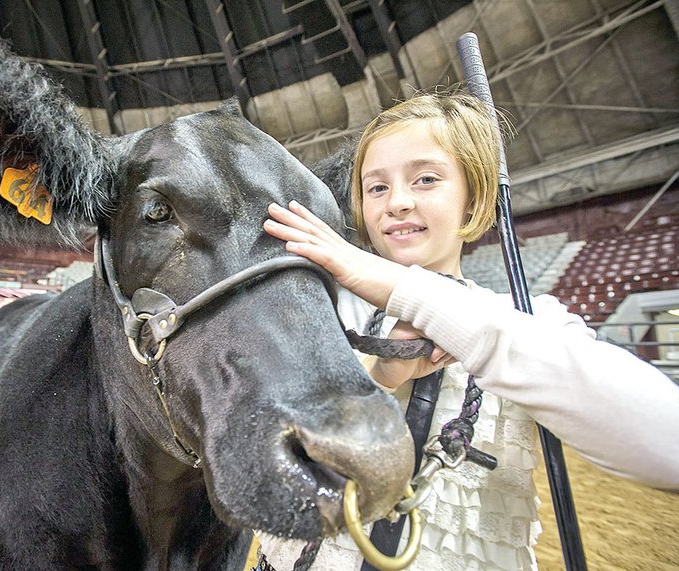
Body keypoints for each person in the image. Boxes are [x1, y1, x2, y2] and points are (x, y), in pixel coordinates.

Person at [255, 90, 679, 570]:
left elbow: (668, 446)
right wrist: (381, 377)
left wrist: (415, 295)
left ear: (475, 196)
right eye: (376, 188)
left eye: (426, 179)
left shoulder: (528, 318)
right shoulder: (326, 315)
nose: (396, 202)